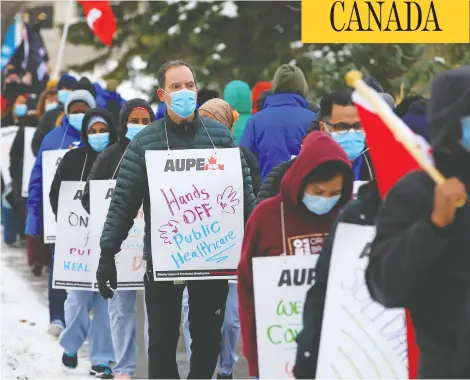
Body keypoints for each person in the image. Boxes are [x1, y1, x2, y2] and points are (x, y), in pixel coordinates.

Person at [95, 60, 256, 379]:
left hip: (212, 258)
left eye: (190, 85)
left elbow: (243, 195)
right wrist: (107, 253)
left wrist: (256, 248)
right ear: (162, 94)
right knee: (162, 343)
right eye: (176, 86)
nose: (185, 92)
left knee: (208, 338)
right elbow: (124, 200)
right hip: (164, 261)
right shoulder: (145, 142)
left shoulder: (218, 138)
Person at [366, 66, 470, 378]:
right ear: (451, 122)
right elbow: (386, 284)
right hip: (447, 366)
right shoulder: (416, 192)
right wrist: (434, 224)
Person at [238, 131, 353, 377]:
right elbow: (247, 285)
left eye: (334, 193)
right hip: (277, 349)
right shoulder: (266, 217)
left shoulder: (349, 218)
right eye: (318, 191)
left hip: (339, 353)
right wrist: (253, 352)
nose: (326, 200)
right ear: (302, 181)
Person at [81, 99, 156, 379]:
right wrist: (107, 219)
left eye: (145, 120)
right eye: (134, 121)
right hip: (122, 247)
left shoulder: (161, 151)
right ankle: (124, 368)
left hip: (152, 244)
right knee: (120, 308)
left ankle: (154, 366)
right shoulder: (110, 156)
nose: (139, 126)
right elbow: (90, 197)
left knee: (156, 311)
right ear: (124, 123)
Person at [49, 107, 116, 379]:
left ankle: (102, 360)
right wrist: (66, 222)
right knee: (76, 302)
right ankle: (71, 343)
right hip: (79, 244)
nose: (98, 135)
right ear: (86, 133)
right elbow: (57, 194)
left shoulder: (119, 157)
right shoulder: (73, 158)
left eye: (103, 130)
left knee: (104, 305)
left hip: (112, 245)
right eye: (93, 131)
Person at [197, 97, 261, 379]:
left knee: (231, 319)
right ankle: (204, 371)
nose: (206, 127)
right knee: (196, 318)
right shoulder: (186, 155)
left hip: (234, 247)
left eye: (213, 121)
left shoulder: (243, 156)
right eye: (203, 120)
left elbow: (254, 199)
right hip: (196, 248)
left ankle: (225, 368)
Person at [26, 89, 95, 337]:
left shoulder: (101, 136)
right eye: (74, 111)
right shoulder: (53, 138)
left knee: (90, 263)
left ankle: (84, 313)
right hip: (61, 218)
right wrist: (33, 217)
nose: (79, 115)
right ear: (66, 112)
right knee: (59, 265)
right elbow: (38, 178)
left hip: (93, 218)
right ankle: (57, 316)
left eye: (83, 111)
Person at [256, 91, 378, 206]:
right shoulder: (285, 175)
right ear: (323, 128)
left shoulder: (381, 170)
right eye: (342, 126)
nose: (352, 132)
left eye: (358, 126)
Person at [241, 64, 316, 181]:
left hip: (265, 192)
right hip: (303, 191)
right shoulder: (314, 119)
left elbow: (244, 161)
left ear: (275, 86)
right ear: (303, 86)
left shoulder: (255, 121)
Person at [31, 73, 77, 156]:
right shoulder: (49, 115)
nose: (65, 91)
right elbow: (36, 143)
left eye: (69, 88)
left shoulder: (79, 115)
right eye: (62, 88)